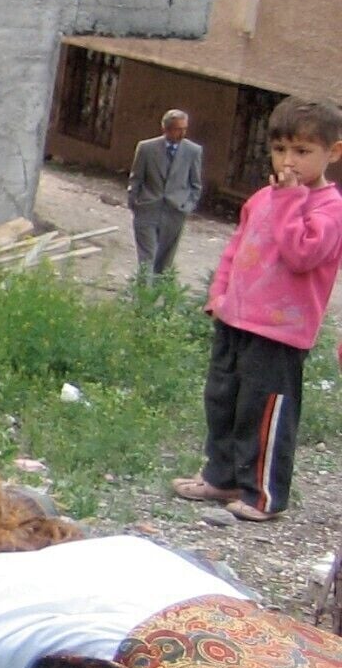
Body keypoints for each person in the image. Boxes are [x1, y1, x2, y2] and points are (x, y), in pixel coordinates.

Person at [172, 96, 342, 523]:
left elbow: (302, 253)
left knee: (263, 410)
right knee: (223, 400)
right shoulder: (264, 197)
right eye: (281, 149)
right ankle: (222, 475)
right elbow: (237, 248)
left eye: (303, 152)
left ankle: (264, 494)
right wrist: (220, 294)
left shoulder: (329, 209)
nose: (289, 161)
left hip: (280, 330)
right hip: (237, 318)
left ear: (333, 152)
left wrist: (290, 200)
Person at [127, 109, 205, 278]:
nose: (182, 133)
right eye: (178, 129)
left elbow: (195, 184)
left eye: (185, 128)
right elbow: (136, 178)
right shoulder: (147, 148)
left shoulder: (193, 151)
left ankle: (157, 298)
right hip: (148, 208)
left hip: (175, 211)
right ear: (166, 129)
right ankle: (143, 297)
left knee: (164, 262)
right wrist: (134, 202)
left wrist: (187, 206)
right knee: (146, 258)